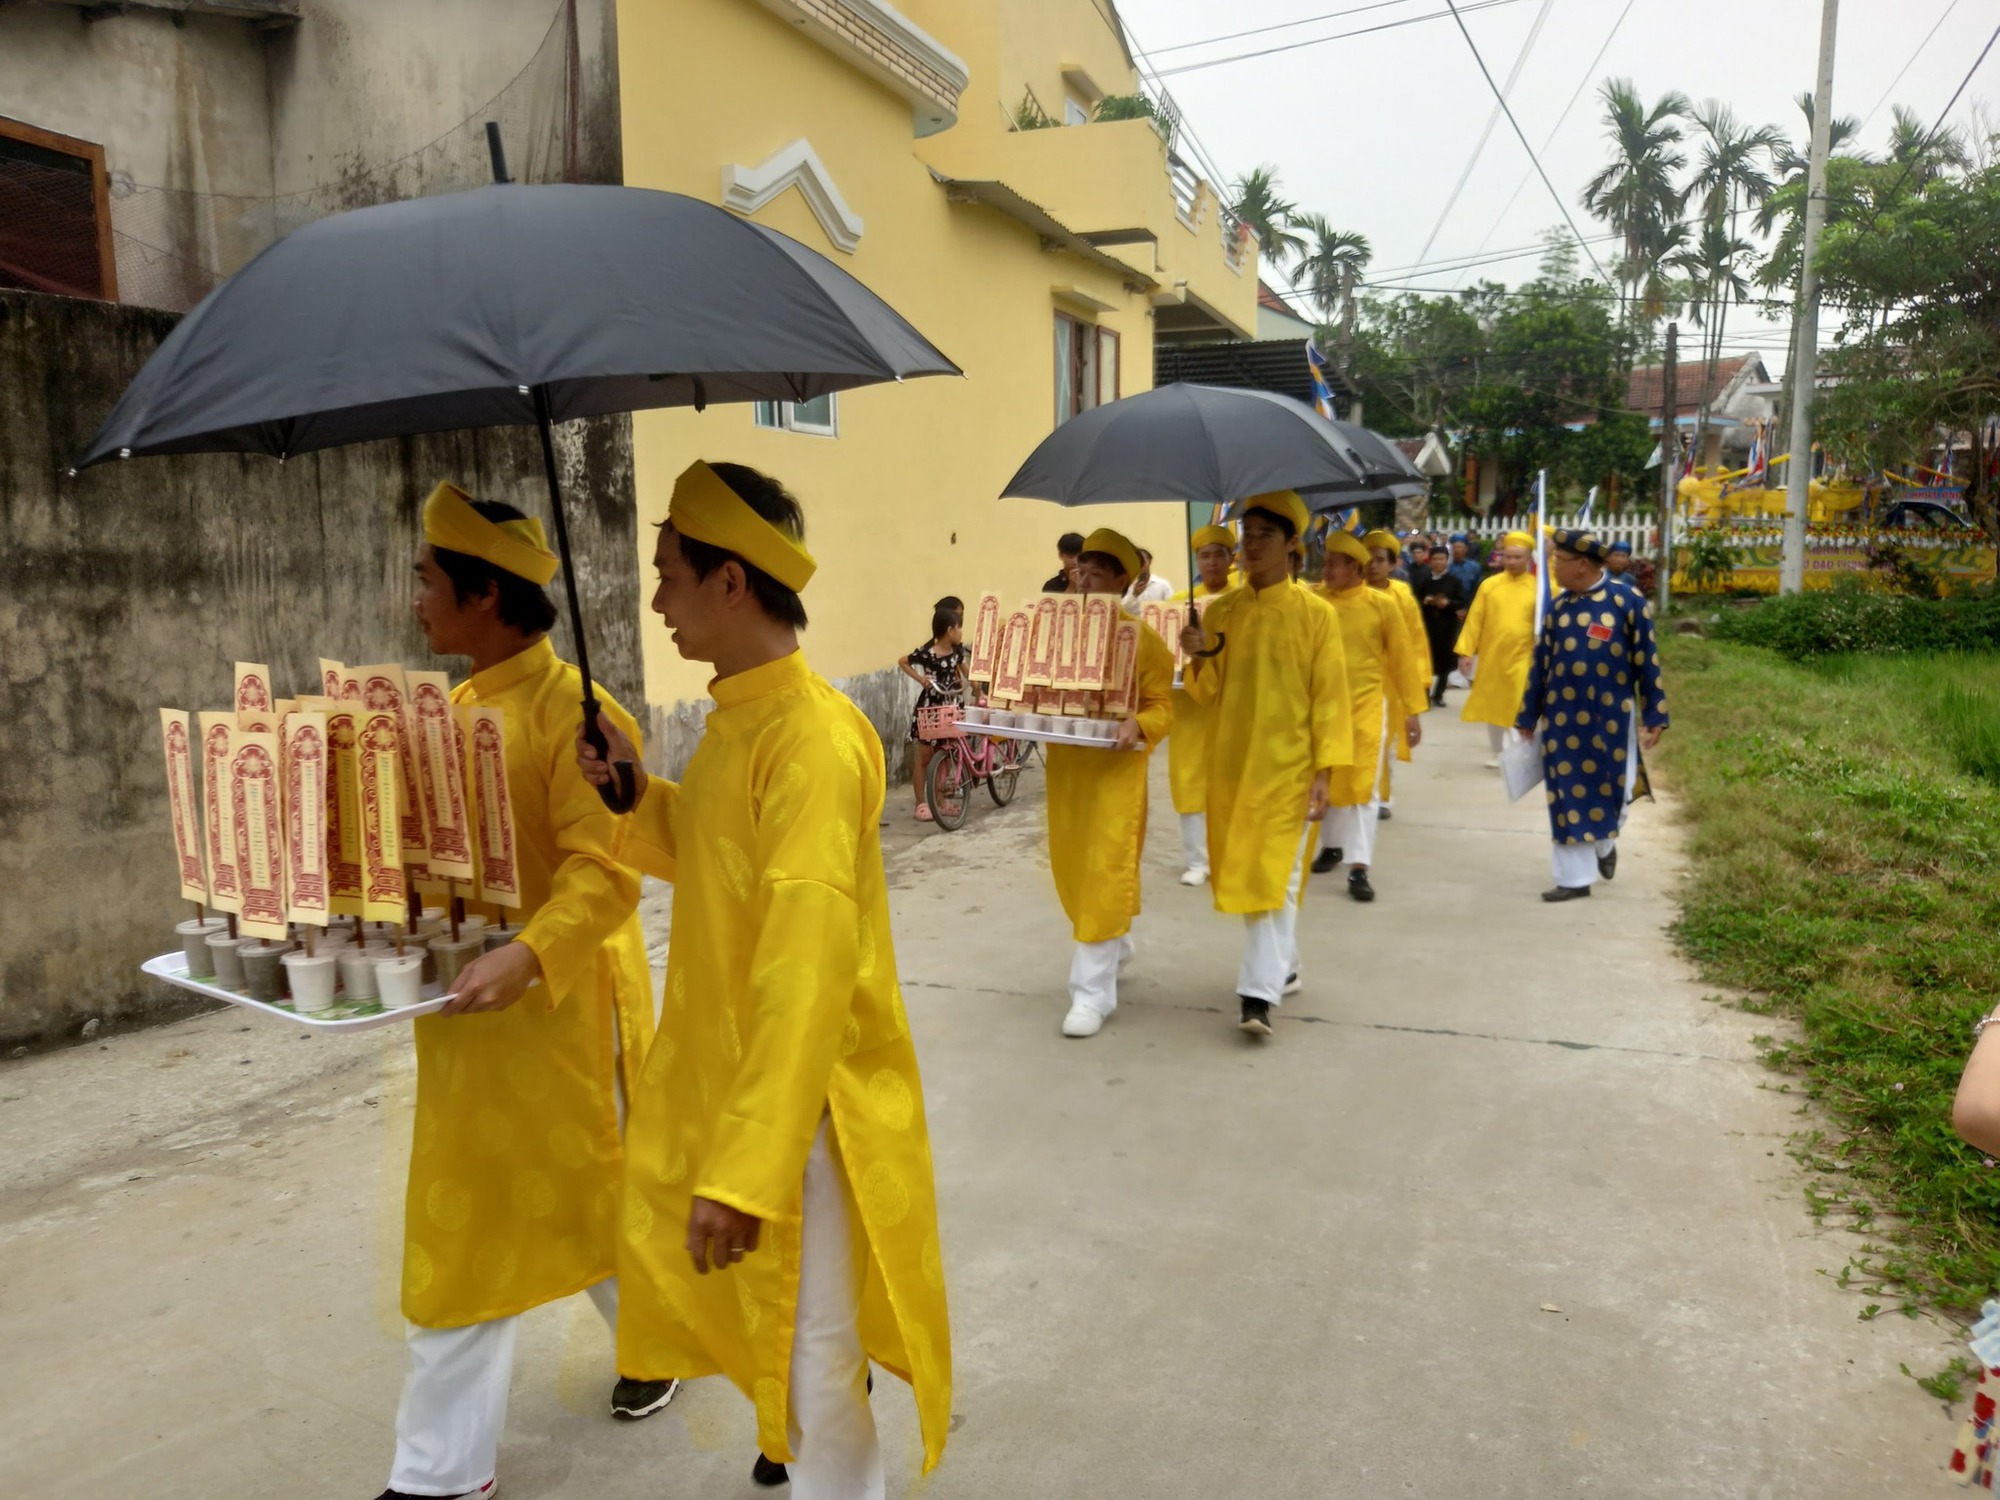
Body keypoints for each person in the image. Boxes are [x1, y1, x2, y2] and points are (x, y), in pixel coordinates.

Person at [580, 459, 952, 1496]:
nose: (656, 601)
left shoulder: (814, 744)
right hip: (735, 1082)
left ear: (729, 582)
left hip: (804, 1104)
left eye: (668, 575)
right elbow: (712, 861)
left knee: (814, 1358)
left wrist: (748, 1169)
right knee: (783, 1341)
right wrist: (628, 795)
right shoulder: (735, 723)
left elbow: (803, 967)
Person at [384, 482, 662, 1500]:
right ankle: (446, 1468)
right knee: (477, 1226)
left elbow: (607, 872)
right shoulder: (447, 710)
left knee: (582, 1206)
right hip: (467, 1020)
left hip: (560, 1015)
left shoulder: (580, 716)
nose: (415, 597)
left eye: (427, 579)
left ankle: (440, 1472)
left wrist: (529, 958)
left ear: (485, 596)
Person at [1179, 491, 1351, 1038]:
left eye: (1263, 537)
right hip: (1232, 763)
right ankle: (1286, 965)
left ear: (1292, 545)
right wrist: (1198, 652)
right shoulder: (1224, 610)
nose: (1249, 547)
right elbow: (1207, 695)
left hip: (1289, 768)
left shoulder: (1315, 614)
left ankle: (1257, 995)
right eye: (1245, 536)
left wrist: (1325, 771)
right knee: (1255, 869)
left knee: (1271, 872)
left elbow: (1329, 696)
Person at [1046, 529, 1175, 1038]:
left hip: (1117, 775)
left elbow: (1161, 705)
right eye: (1083, 570)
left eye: (1099, 572)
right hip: (1068, 774)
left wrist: (1138, 725)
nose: (1086, 580)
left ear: (1124, 580)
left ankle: (1091, 994)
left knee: (1104, 868)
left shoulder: (1142, 639)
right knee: (1075, 869)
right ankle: (1115, 943)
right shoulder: (1057, 633)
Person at [1516, 526, 1669, 902]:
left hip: (1612, 720)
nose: (1553, 567)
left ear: (1582, 565)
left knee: (1614, 795)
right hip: (1562, 719)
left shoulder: (1626, 602)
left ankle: (1604, 841)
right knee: (1566, 793)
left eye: (1558, 560)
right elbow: (1541, 665)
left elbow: (1646, 661)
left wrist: (1655, 713)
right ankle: (1573, 879)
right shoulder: (1558, 608)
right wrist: (1527, 715)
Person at [1310, 532, 1422, 900]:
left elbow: (1404, 660)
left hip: (1365, 707)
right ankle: (1332, 846)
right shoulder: (1312, 600)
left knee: (1362, 786)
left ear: (1354, 568)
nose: (1325, 570)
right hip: (1321, 707)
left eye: (1332, 564)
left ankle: (1359, 867)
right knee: (1325, 777)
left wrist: (1412, 711)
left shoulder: (1381, 604)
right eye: (1324, 563)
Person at [1170, 524, 1238, 886]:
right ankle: (1197, 860)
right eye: (1204, 554)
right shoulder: (1179, 602)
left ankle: (1227, 854)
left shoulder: (1242, 601)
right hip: (1189, 710)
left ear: (1231, 559)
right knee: (1189, 782)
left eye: (1219, 554)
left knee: (1228, 782)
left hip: (1229, 708)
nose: (1211, 561)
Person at [1454, 530, 1539, 768]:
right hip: (1493, 655)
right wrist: (1466, 652)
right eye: (1507, 556)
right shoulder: (1489, 585)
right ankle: (1498, 751)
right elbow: (1475, 619)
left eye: (1517, 557)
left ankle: (1515, 754)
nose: (1511, 561)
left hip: (1524, 654)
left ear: (1528, 558)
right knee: (1494, 705)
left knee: (1517, 702)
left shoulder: (1537, 588)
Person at [1361, 529, 1427, 820]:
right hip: (1359, 676)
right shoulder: (1348, 592)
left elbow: (1415, 641)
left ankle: (1383, 797)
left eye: (1379, 560)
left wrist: (1418, 682)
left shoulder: (1402, 596)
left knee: (1385, 738)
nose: (1372, 566)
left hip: (1392, 678)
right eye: (1367, 559)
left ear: (1392, 564)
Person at [898, 603, 968, 823]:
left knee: (945, 754)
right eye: (959, 627)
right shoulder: (927, 654)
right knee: (924, 757)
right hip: (930, 708)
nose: (960, 632)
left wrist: (977, 686)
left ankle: (941, 802)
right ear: (949, 630)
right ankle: (921, 803)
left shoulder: (957, 653)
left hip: (950, 706)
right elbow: (903, 662)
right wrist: (922, 680)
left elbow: (968, 673)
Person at [1408, 542, 1468, 707]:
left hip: (1447, 626)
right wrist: (1425, 601)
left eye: (1441, 559)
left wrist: (1447, 603)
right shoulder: (1425, 580)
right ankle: (1425, 694)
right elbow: (1415, 601)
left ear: (1447, 560)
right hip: (1428, 626)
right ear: (1430, 561)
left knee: (1445, 662)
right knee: (1426, 660)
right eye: (1435, 559)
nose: (1438, 562)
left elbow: (1462, 601)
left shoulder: (1454, 581)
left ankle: (1438, 694)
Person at [1447, 534, 1484, 599]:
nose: (1456, 550)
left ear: (1466, 549)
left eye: (1459, 547)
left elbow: (1478, 588)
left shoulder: (1475, 567)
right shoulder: (1447, 566)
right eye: (1454, 547)